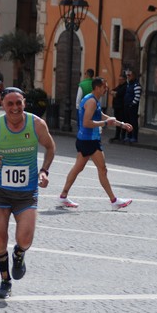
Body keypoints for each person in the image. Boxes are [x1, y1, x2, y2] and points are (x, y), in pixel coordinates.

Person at [0, 87, 56, 299]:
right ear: (3, 106)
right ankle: (5, 280)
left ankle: (19, 254)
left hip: (27, 192)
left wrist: (44, 171)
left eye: (18, 103)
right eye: (10, 104)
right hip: (0, 191)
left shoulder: (36, 124)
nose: (15, 108)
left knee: (25, 239)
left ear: (24, 103)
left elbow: (50, 147)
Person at [58, 77, 133, 211]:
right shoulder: (92, 101)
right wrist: (106, 123)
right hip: (90, 141)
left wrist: (120, 124)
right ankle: (114, 201)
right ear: (97, 87)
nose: (106, 89)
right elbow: (87, 122)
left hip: (85, 139)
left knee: (78, 168)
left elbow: (101, 115)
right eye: (104, 87)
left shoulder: (92, 99)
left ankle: (63, 196)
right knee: (102, 169)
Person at [123, 69, 142, 143]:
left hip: (132, 107)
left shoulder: (136, 85)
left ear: (133, 75)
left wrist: (132, 104)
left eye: (129, 75)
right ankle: (129, 135)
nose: (128, 77)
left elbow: (137, 96)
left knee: (133, 122)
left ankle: (134, 136)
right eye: (127, 75)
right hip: (127, 105)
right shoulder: (128, 84)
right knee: (128, 121)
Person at [109, 73, 127, 142]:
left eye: (121, 79)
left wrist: (115, 93)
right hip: (116, 106)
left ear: (125, 80)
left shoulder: (125, 86)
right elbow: (112, 91)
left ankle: (122, 136)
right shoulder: (119, 86)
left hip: (121, 107)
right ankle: (117, 135)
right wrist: (114, 93)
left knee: (122, 121)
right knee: (117, 121)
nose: (119, 81)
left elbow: (119, 93)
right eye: (119, 79)